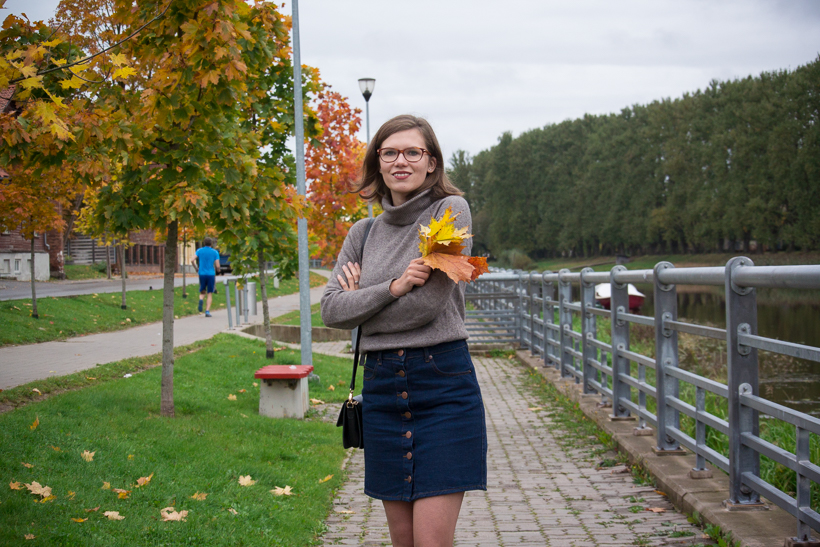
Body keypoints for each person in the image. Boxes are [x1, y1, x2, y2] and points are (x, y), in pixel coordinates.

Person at [321, 115, 487, 547]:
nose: (401, 161)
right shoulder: (363, 233)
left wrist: (362, 303)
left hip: (443, 387)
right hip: (382, 392)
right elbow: (331, 310)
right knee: (404, 541)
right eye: (390, 152)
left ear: (431, 162)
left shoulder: (449, 213)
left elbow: (426, 307)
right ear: (378, 162)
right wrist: (393, 288)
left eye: (413, 152)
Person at [192, 237, 220, 318]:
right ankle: (207, 311)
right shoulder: (215, 252)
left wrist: (196, 268)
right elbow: (217, 265)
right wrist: (218, 270)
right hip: (211, 274)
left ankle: (201, 299)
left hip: (202, 273)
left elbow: (192, 260)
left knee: (202, 291)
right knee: (209, 293)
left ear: (204, 243)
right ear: (211, 244)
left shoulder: (199, 251)